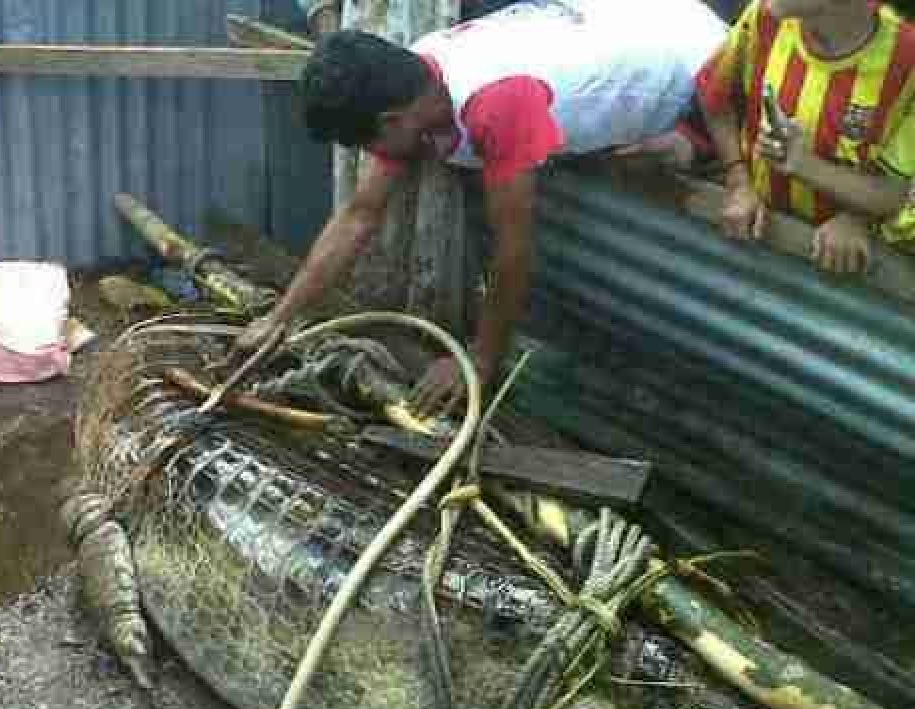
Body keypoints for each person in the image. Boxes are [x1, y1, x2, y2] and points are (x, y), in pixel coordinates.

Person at [235, 0, 728, 416]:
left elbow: (513, 253)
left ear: (393, 119)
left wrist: (477, 362)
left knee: (684, 145)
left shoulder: (497, 104)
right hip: (633, 21)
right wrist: (281, 318)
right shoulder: (415, 75)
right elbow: (359, 215)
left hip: (701, 60)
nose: (375, 155)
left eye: (371, 141)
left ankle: (694, 139)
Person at [699, 0, 915, 274]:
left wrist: (855, 216)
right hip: (753, 238)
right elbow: (715, 96)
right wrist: (739, 181)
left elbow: (894, 194)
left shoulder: (907, 61)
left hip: (833, 269)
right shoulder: (764, 17)